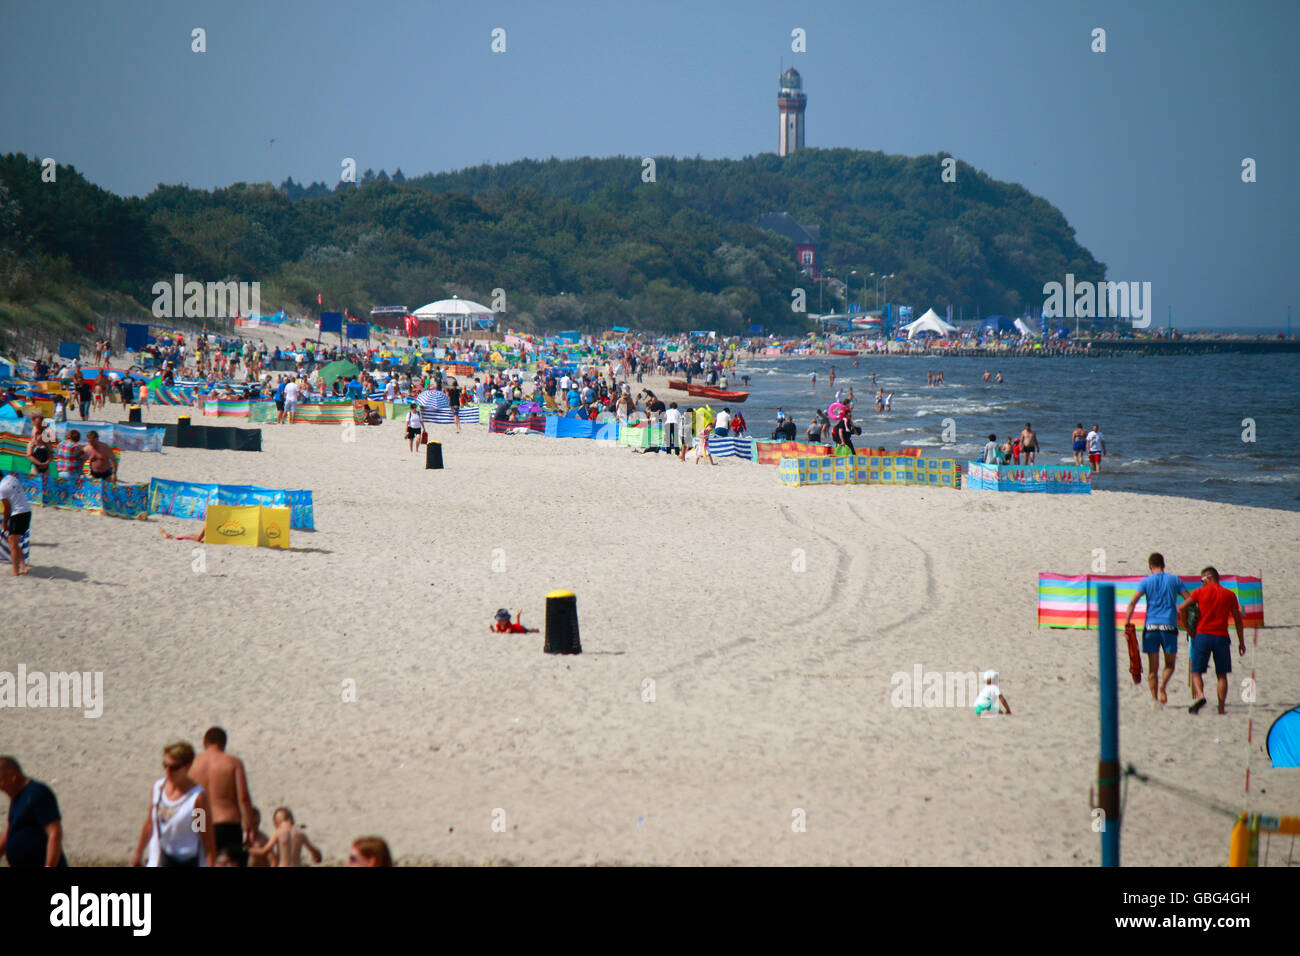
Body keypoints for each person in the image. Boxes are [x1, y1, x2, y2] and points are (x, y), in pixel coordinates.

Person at [131, 741, 218, 867]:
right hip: (159, 860)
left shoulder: (196, 799)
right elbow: (150, 822)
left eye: (174, 768)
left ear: (188, 766)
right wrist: (138, 853)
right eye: (165, 765)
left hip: (186, 861)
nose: (168, 771)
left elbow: (206, 838)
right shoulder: (158, 788)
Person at [1178, 567, 1245, 715]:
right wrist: (1241, 641)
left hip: (1202, 635)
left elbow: (1182, 608)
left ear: (1208, 578)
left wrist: (1188, 628)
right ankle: (1221, 708)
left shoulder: (1200, 592)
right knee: (1221, 674)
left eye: (1202, 580)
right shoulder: (1229, 595)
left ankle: (1201, 696)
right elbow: (1238, 620)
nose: (1201, 583)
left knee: (1196, 671)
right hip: (1221, 636)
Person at [1123, 553, 1188, 707]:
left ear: (1150, 566)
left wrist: (1127, 625)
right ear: (1163, 564)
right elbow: (1189, 599)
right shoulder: (1174, 580)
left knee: (1153, 669)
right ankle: (1163, 686)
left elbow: (1132, 602)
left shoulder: (1146, 581)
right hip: (1169, 626)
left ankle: (1154, 700)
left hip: (1151, 627)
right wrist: (1184, 612)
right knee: (1170, 664)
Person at [189, 727, 255, 867]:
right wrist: (250, 827)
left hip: (200, 821)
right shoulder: (233, 762)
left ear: (204, 743)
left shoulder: (192, 764)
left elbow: (187, 797)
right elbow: (243, 798)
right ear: (224, 744)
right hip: (227, 821)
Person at [0, 756, 68, 867]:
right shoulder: (17, 797)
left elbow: (54, 833)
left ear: (13, 776)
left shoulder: (37, 793)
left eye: (0, 782)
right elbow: (11, 829)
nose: (0, 788)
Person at [248, 807, 322, 867]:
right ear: (292, 819)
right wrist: (317, 856)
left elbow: (264, 851)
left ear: (276, 822)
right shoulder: (301, 834)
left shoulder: (278, 833)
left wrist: (247, 849)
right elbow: (314, 850)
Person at [1, 468, 32, 576]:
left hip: (18, 514)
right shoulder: (11, 478)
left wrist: (4, 523)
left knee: (12, 544)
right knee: (14, 542)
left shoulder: (2, 488)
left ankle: (15, 571)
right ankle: (23, 566)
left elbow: (7, 508)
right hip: (27, 511)